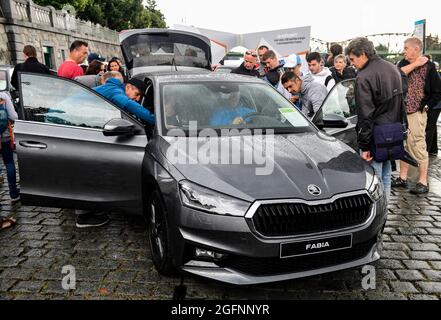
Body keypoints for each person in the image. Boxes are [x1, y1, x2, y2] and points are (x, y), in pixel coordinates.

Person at [345, 37, 405, 202]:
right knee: (385, 175)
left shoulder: (364, 76)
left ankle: (377, 216)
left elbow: (365, 114)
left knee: (372, 180)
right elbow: (401, 102)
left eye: (352, 59)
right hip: (393, 130)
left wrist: (364, 146)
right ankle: (384, 210)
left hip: (375, 135)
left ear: (363, 54)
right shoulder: (393, 68)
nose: (352, 64)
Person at [392, 37, 441, 194]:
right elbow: (397, 77)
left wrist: (426, 106)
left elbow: (437, 91)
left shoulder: (430, 66)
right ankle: (403, 178)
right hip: (401, 112)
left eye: (406, 48)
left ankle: (423, 182)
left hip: (417, 113)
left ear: (416, 49)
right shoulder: (402, 64)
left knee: (418, 145)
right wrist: (415, 64)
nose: (404, 50)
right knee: (402, 145)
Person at [0, 92, 20, 205]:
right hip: (5, 136)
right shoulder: (3, 95)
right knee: (9, 163)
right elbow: (14, 116)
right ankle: (13, 194)